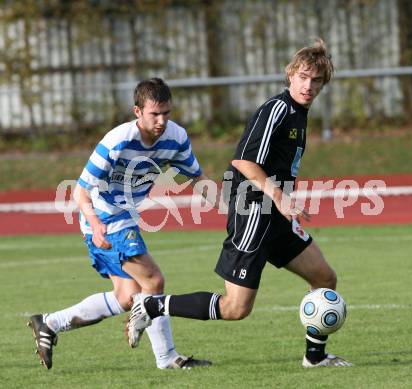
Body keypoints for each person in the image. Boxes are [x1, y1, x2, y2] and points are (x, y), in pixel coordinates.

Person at [127, 39, 353, 368]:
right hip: (253, 211)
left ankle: (315, 358)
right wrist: (280, 198)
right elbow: (243, 162)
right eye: (303, 76)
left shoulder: (298, 115)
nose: (308, 85)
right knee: (236, 308)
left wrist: (281, 202)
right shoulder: (277, 109)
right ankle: (151, 307)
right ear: (290, 75)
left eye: (316, 80)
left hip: (275, 214)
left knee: (324, 278)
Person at [28, 77, 219, 370]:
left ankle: (50, 324)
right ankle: (167, 358)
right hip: (103, 216)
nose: (161, 121)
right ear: (137, 111)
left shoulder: (176, 138)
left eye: (166, 113)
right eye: (154, 114)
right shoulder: (117, 140)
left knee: (128, 296)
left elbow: (197, 178)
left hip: (124, 216)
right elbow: (79, 191)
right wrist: (95, 223)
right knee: (153, 281)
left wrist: (228, 207)